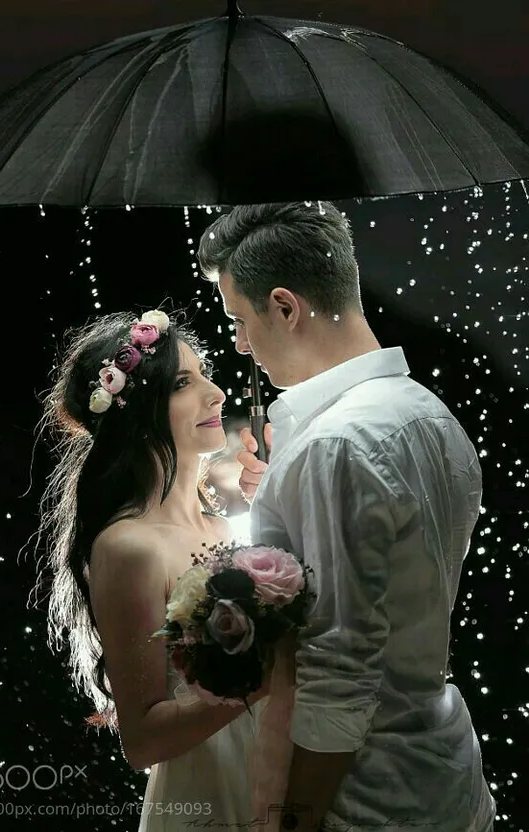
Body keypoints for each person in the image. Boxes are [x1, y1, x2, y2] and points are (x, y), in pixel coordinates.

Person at [197, 201, 496, 832]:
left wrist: (296, 821)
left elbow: (340, 672)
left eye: (240, 322)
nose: (241, 344)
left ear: (285, 307)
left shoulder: (336, 446)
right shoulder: (432, 414)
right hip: (448, 769)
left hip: (366, 798)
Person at [38, 310, 269, 831]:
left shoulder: (234, 528)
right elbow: (142, 740)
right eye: (184, 383)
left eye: (205, 373)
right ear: (137, 409)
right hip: (210, 797)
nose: (217, 393)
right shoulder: (129, 547)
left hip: (276, 775)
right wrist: (265, 677)